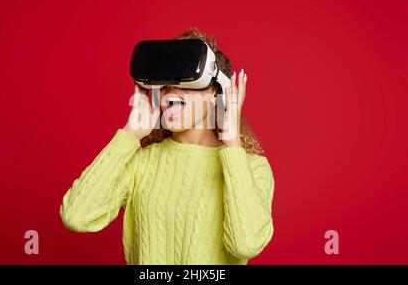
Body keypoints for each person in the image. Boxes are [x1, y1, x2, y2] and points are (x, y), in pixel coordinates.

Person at [59, 28, 275, 265]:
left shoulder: (252, 167)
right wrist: (131, 133)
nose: (170, 89)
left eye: (183, 79)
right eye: (163, 84)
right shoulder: (141, 162)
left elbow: (246, 244)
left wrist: (232, 142)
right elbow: (76, 217)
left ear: (216, 91)